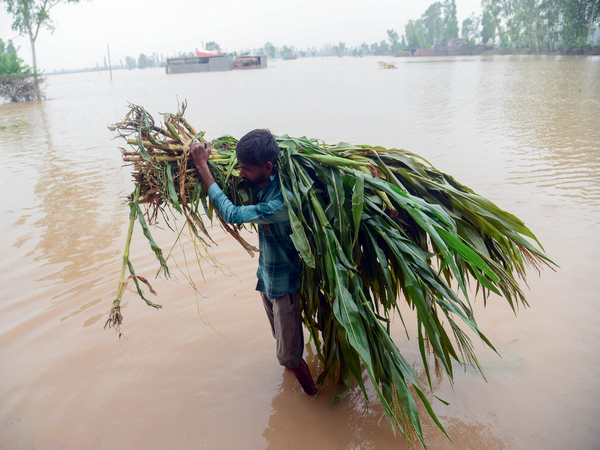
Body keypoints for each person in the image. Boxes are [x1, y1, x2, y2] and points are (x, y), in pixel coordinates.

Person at [190, 129, 317, 395]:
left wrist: (202, 166)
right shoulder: (263, 183)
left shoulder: (281, 202)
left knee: (291, 358)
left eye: (246, 169)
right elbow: (237, 192)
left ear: (268, 166)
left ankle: (312, 401)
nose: (241, 173)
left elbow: (233, 214)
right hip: (268, 281)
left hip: (284, 289)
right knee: (282, 343)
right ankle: (295, 380)